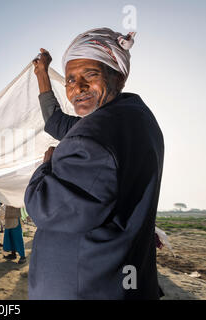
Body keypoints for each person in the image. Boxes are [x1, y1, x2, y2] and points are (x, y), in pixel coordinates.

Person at [25, 28, 164, 299]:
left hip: (88, 287)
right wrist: (42, 73)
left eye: (90, 74)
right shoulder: (134, 118)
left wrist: (46, 167)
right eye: (71, 80)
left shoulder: (94, 137)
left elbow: (47, 209)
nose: (78, 88)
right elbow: (56, 122)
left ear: (119, 77)